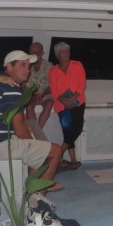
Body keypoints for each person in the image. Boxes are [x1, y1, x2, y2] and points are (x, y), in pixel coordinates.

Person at [0, 50, 63, 194]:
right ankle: (37, 197)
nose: (27, 70)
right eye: (23, 65)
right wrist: (33, 143)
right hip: (0, 148)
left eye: (28, 66)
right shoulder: (11, 88)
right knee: (55, 151)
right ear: (9, 67)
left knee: (32, 137)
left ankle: (32, 185)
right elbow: (19, 130)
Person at [49, 42, 86, 170]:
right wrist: (64, 101)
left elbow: (82, 85)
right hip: (62, 107)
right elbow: (53, 90)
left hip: (77, 103)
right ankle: (73, 160)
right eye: (63, 51)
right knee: (67, 132)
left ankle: (58, 154)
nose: (66, 53)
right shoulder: (53, 70)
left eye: (67, 51)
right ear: (58, 54)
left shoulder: (77, 65)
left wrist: (72, 99)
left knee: (77, 129)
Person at [23, 42, 54, 130]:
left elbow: (52, 85)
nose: (33, 55)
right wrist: (32, 95)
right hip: (30, 95)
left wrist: (42, 94)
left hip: (44, 94)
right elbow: (22, 84)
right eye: (31, 52)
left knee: (49, 103)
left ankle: (37, 131)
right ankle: (36, 132)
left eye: (36, 52)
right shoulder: (25, 66)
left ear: (42, 53)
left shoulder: (50, 66)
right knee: (28, 105)